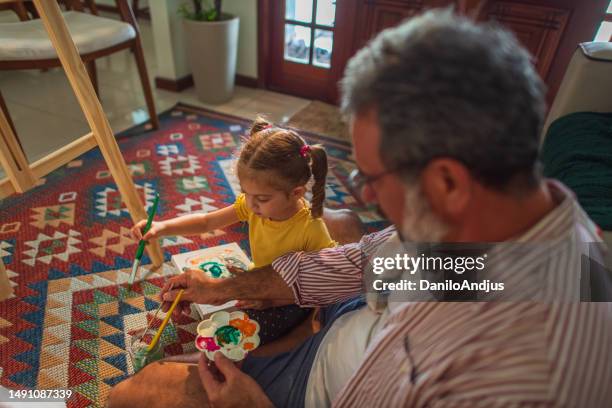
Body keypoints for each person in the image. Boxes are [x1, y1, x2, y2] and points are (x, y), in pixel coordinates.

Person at [110, 9, 612, 408]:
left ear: (448, 181)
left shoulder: (523, 378)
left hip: (326, 378)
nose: (368, 195)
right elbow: (368, 260)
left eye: (373, 179)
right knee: (346, 229)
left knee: (134, 392)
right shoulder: (504, 235)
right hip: (358, 324)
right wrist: (224, 287)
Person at [130, 117, 336, 343]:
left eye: (262, 198)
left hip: (291, 300)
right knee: (203, 289)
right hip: (255, 281)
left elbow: (323, 284)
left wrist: (271, 301)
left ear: (296, 193)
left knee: (240, 337)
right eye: (246, 193)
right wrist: (161, 227)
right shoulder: (253, 207)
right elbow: (206, 222)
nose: (250, 204)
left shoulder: (311, 228)